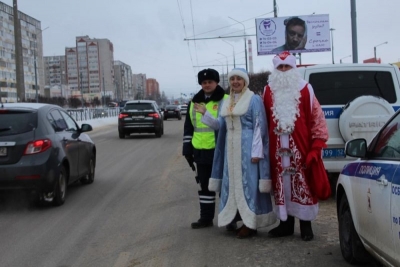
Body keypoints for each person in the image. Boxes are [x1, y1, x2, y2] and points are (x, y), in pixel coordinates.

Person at [196, 68, 276, 238]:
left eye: (239, 79)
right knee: (232, 185)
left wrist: (257, 152)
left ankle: (251, 223)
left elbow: (259, 127)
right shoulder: (227, 102)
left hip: (248, 151)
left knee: (249, 185)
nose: (235, 82)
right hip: (230, 152)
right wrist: (206, 114)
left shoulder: (253, 99)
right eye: (232, 79)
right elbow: (220, 126)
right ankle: (234, 217)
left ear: (245, 81)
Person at [262, 51, 329, 241]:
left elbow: (317, 118)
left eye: (287, 67)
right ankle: (285, 224)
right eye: (280, 67)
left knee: (303, 185)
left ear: (294, 68)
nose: (283, 71)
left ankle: (305, 226)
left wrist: (316, 147)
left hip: (300, 148)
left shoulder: (306, 89)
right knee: (281, 186)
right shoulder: (267, 91)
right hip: (277, 151)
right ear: (275, 69)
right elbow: (263, 121)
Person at [182, 68, 228, 229]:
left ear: (216, 82)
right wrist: (187, 149)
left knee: (224, 186)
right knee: (204, 186)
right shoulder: (194, 103)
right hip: (200, 152)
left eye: (210, 82)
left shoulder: (225, 100)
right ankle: (206, 218)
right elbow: (189, 128)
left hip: (220, 151)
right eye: (204, 82)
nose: (207, 85)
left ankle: (228, 219)